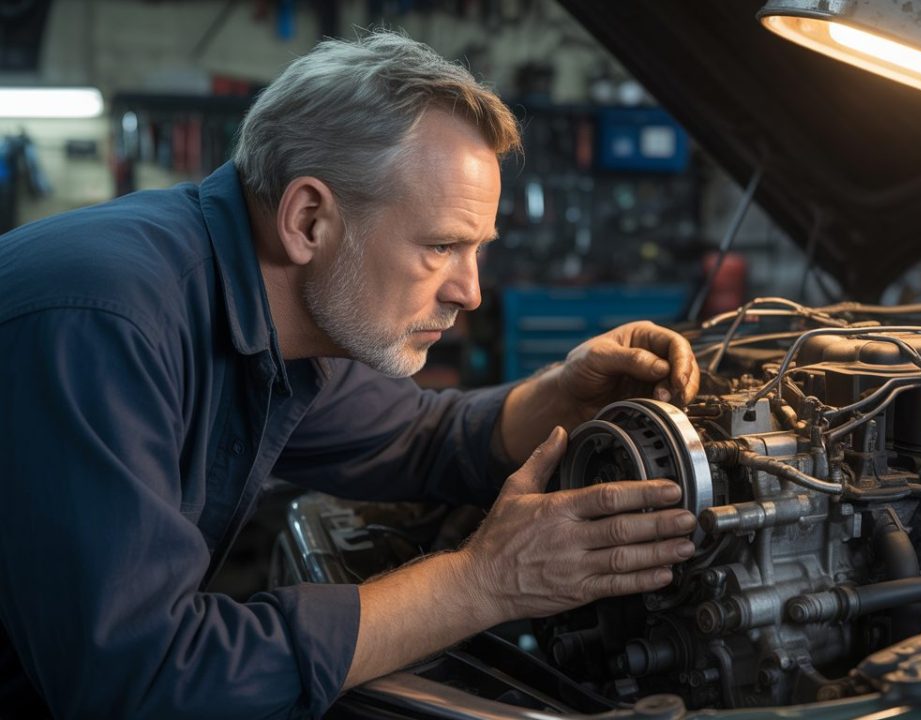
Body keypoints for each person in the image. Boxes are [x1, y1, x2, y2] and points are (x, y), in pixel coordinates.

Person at [0, 31, 701, 718]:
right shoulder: (104, 322)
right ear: (308, 219)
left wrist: (561, 392)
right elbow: (141, 680)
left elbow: (418, 437)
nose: (471, 292)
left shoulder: (269, 312)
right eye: (442, 246)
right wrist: (487, 580)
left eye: (477, 249)